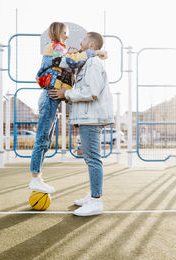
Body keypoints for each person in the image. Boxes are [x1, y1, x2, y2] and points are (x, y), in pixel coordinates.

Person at [29, 22, 106, 194]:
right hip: (50, 96)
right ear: (57, 33)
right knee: (42, 139)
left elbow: (72, 58)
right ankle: (35, 178)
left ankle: (37, 178)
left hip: (52, 98)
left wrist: (90, 53)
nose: (67, 36)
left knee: (45, 141)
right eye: (65, 33)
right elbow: (70, 61)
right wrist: (92, 52)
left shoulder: (59, 48)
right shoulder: (54, 47)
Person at [48, 32, 114, 216]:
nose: (80, 42)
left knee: (93, 159)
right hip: (88, 118)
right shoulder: (88, 62)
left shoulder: (93, 63)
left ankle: (96, 201)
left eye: (84, 40)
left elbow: (91, 92)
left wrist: (65, 95)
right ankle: (92, 195)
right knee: (90, 158)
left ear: (91, 45)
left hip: (92, 119)